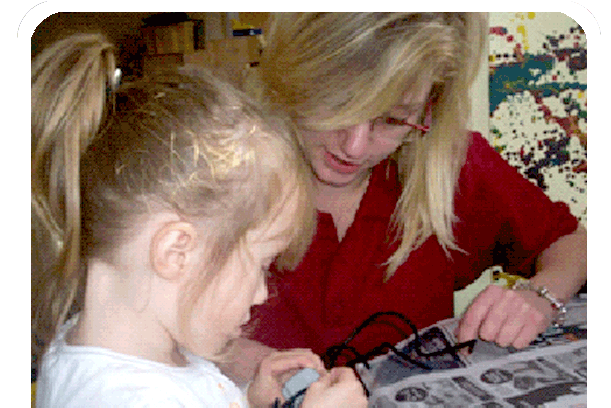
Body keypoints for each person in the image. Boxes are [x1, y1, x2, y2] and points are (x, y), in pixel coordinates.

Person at [31, 33, 368, 408]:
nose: (261, 293)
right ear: (176, 251)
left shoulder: (108, 345)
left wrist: (249, 407)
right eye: (261, 264)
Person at [226, 12, 587, 384]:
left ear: (430, 107)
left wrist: (541, 296)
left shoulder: (452, 168)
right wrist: (227, 356)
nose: (354, 147)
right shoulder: (220, 169)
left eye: (393, 120)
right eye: (338, 105)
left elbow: (573, 243)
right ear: (292, 81)